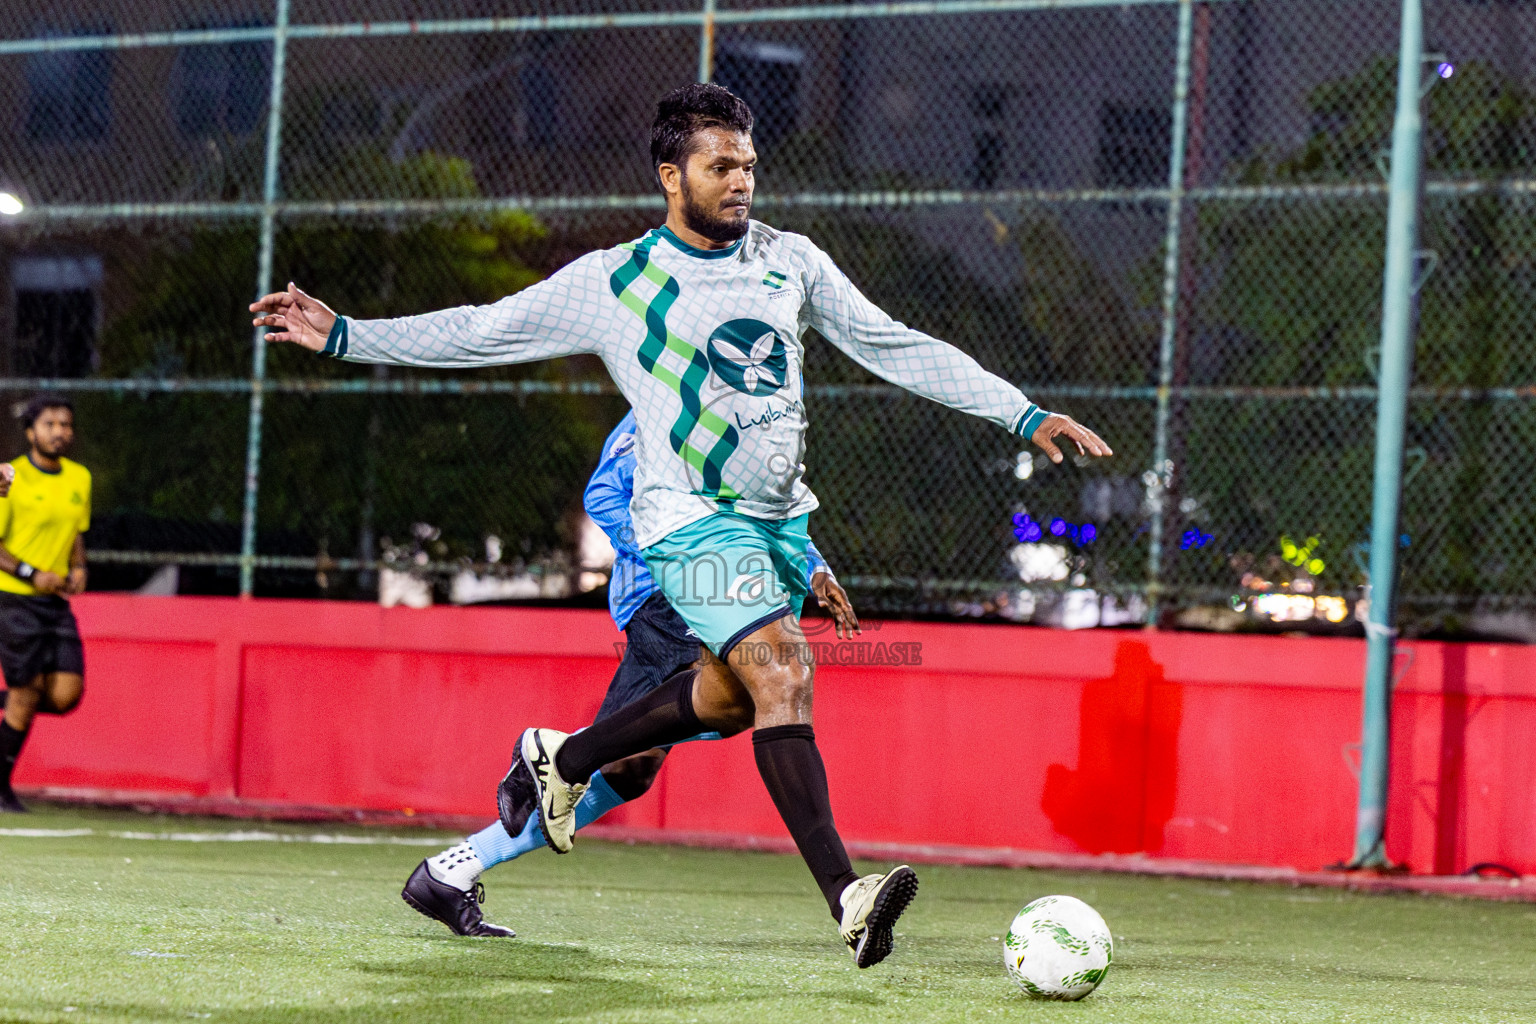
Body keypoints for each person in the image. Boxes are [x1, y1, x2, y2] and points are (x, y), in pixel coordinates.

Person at [251, 83, 1111, 966]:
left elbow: (896, 344)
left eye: (748, 164)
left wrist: (1020, 413)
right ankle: (847, 897)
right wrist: (349, 335)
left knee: (730, 703)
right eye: (720, 165)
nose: (741, 181)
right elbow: (481, 330)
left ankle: (557, 761)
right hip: (684, 527)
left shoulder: (792, 261)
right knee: (784, 670)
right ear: (672, 176)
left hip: (768, 531)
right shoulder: (618, 282)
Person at [401, 409, 858, 937]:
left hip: (713, 589)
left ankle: (452, 868)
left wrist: (815, 566)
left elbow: (768, 515)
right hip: (669, 595)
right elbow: (603, 494)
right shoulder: (662, 403)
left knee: (627, 769)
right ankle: (841, 887)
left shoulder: (745, 414)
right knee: (753, 691)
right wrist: (676, 556)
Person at [0, 396, 91, 813]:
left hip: (55, 605)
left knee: (66, 696)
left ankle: (13, 700)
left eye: (66, 424)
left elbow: (76, 531)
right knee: (27, 691)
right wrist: (30, 574)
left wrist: (78, 567)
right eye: (51, 424)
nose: (60, 432)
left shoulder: (79, 478)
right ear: (31, 430)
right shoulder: (12, 478)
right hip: (14, 599)